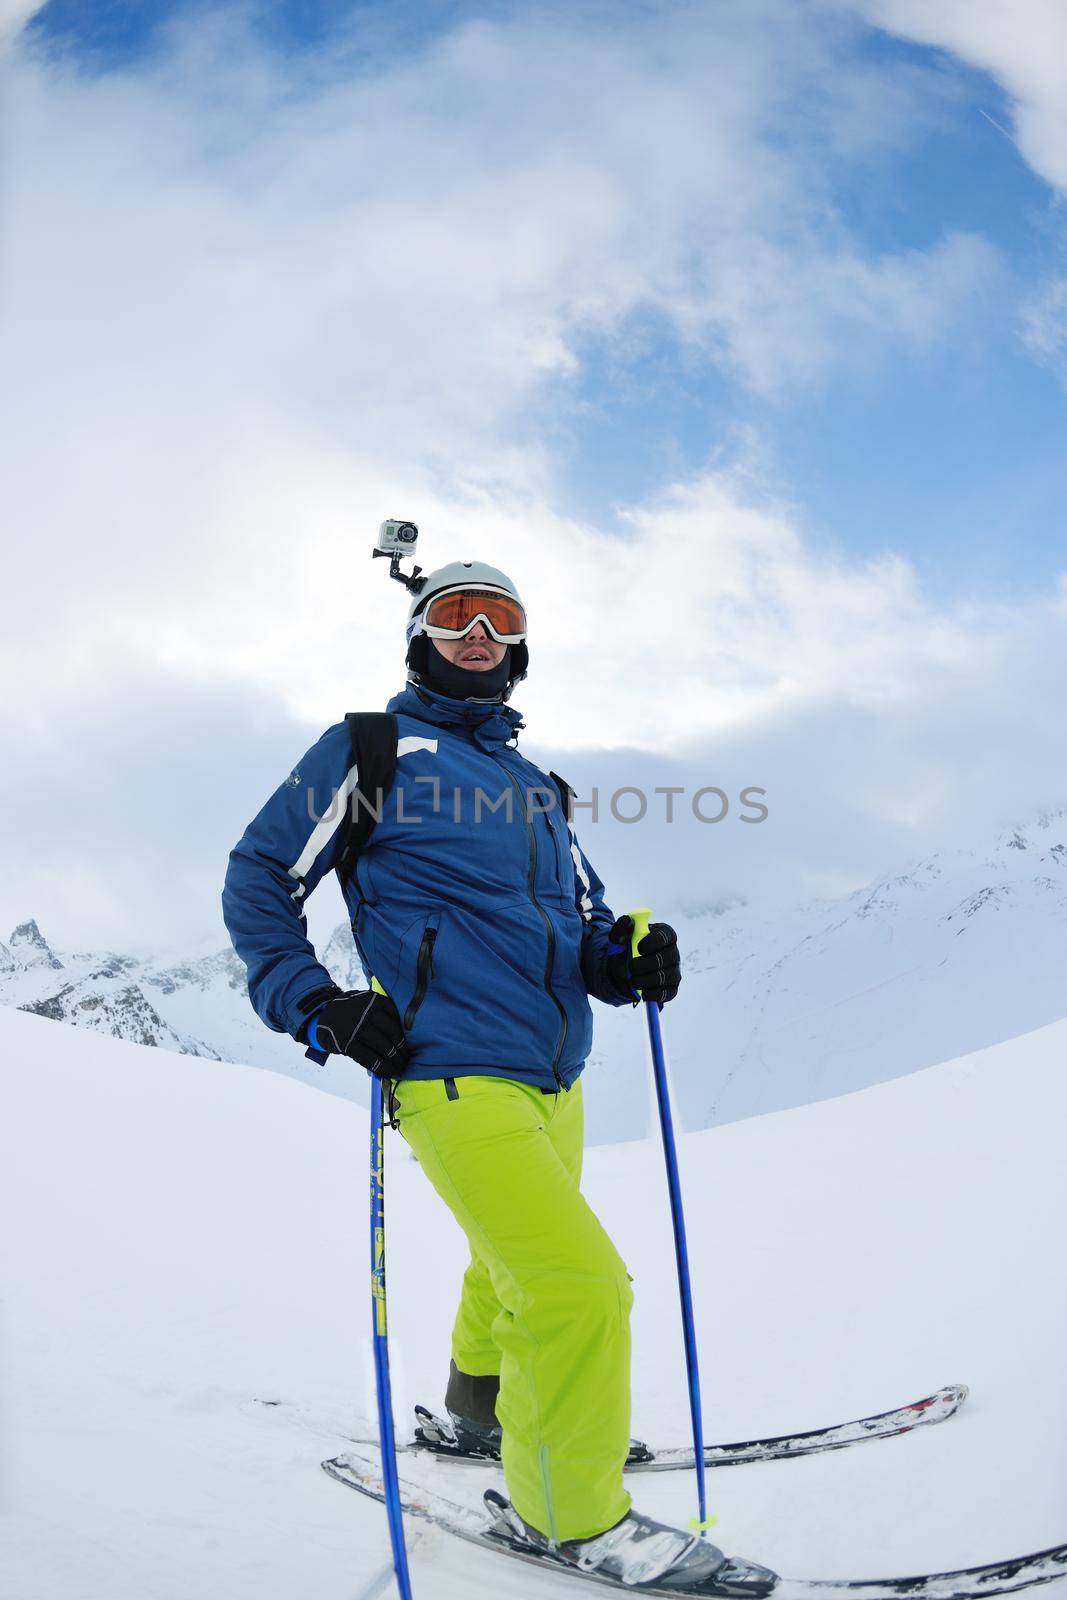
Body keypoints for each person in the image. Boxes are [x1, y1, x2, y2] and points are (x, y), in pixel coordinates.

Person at [222, 559, 733, 1590]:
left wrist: (622, 955)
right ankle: (573, 1515)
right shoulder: (371, 748)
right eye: (455, 614)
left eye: (499, 618)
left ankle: (480, 1413)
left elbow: (579, 923)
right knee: (578, 1288)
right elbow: (259, 876)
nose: (478, 633)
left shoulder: (539, 788)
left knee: (505, 1262)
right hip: (447, 1068)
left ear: (520, 645)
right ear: (420, 633)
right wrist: (315, 1002)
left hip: (555, 1074)